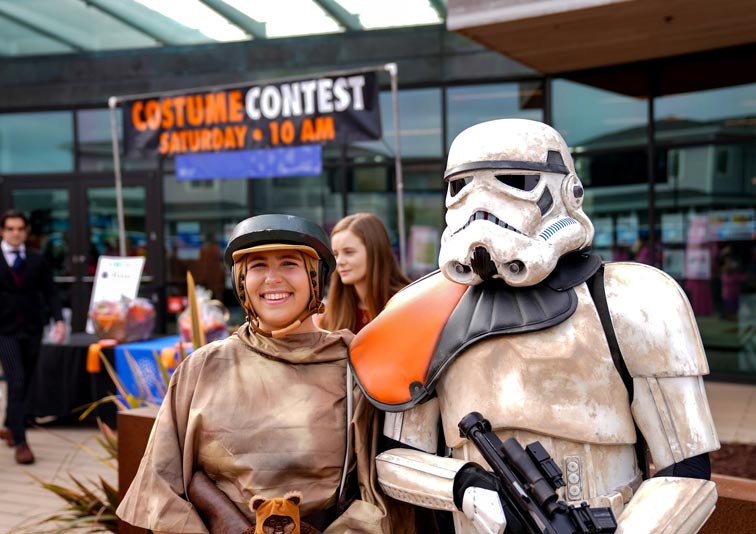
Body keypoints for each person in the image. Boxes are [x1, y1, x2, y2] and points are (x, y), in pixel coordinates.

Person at [349, 119, 720, 533]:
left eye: (512, 180)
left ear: (568, 191)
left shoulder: (634, 299)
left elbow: (686, 468)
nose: (481, 204)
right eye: (462, 186)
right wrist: (465, 489)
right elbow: (396, 458)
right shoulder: (422, 311)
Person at [116, 214, 413, 534]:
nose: (273, 278)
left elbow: (382, 498)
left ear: (317, 277)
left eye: (289, 263)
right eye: (257, 266)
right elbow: (160, 486)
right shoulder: (203, 368)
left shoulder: (358, 368)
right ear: (241, 280)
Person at [0, 209, 66, 464]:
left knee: (25, 382)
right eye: (10, 229)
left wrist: (58, 320)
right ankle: (21, 441)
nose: (16, 233)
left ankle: (8, 424)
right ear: (3, 231)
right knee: (16, 381)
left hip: (32, 329)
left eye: (20, 229)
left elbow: (50, 292)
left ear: (26, 232)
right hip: (4, 332)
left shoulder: (37, 259)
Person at [317, 213, 410, 334]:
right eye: (335, 254)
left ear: (375, 252)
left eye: (349, 252)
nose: (339, 261)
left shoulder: (406, 303)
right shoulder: (332, 310)